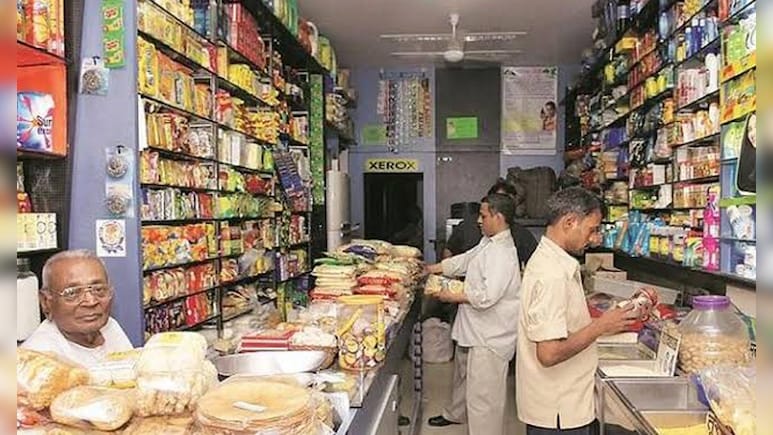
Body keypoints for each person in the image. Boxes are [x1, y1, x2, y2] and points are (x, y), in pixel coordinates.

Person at [516, 188, 634, 435]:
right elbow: (548, 353)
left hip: (561, 404)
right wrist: (600, 326)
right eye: (592, 229)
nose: (594, 238)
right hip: (558, 411)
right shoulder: (552, 274)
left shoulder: (555, 263)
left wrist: (605, 322)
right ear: (569, 222)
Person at [425, 193, 521, 435]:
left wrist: (452, 296)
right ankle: (456, 414)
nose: (479, 220)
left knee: (484, 400)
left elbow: (488, 296)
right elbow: (466, 260)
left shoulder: (503, 254)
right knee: (466, 379)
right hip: (476, 330)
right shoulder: (489, 243)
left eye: (483, 215)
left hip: (490, 337)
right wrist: (433, 269)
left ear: (498, 217)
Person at [21, 250, 133, 367]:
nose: (91, 301)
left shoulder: (110, 327)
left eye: (98, 289)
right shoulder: (39, 358)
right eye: (72, 293)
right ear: (46, 302)